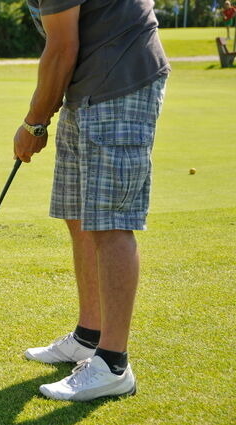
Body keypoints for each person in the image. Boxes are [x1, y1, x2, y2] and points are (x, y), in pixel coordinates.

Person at [13, 0, 170, 401]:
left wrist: (34, 121)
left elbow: (62, 48)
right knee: (79, 215)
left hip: (121, 81)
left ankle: (113, 365)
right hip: (85, 87)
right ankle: (89, 336)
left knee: (110, 221)